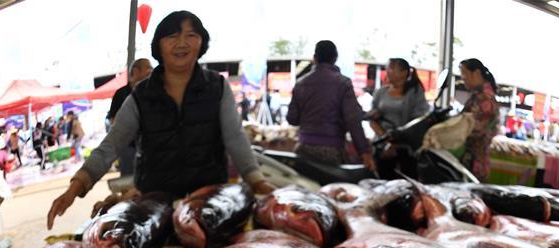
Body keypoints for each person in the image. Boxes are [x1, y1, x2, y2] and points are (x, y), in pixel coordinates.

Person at [47, 10, 274, 229]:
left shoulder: (218, 87)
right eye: (172, 36)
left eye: (191, 36)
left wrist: (256, 181)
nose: (181, 43)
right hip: (154, 206)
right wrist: (74, 188)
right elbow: (111, 145)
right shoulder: (141, 96)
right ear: (159, 45)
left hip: (209, 202)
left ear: (201, 44)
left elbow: (235, 138)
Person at [286, 40, 375, 171]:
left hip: (303, 147)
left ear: (314, 58)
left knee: (306, 190)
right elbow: (352, 120)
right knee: (331, 190)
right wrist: (365, 153)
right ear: (335, 58)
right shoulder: (343, 83)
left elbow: (292, 119)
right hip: (331, 150)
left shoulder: (301, 83)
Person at [368, 57, 430, 178]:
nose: (388, 71)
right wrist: (385, 139)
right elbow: (371, 119)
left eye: (392, 68)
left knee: (407, 184)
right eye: (387, 68)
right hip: (382, 147)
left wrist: (395, 143)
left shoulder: (415, 92)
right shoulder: (381, 92)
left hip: (406, 149)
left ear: (404, 72)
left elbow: (418, 121)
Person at [455, 58, 499, 182]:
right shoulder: (478, 96)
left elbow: (475, 130)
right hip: (471, 161)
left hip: (474, 164)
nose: (462, 78)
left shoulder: (485, 99)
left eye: (464, 74)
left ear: (477, 73)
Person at [108, 58, 154, 176]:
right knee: (128, 179)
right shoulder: (121, 93)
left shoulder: (153, 91)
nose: (151, 71)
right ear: (136, 71)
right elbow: (113, 120)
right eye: (148, 68)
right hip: (128, 147)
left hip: (150, 144)